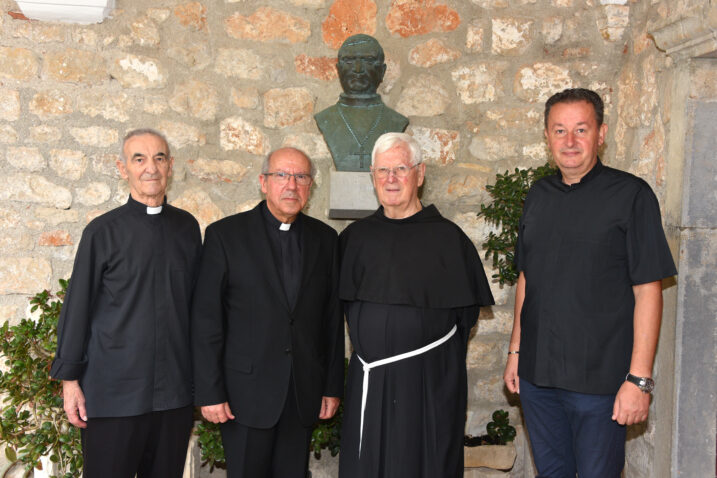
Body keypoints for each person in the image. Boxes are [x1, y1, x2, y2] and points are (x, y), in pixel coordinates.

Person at [503, 88, 677, 478]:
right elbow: (526, 277)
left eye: (581, 129)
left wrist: (639, 380)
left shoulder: (632, 195)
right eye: (559, 130)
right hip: (538, 379)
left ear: (601, 134)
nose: (570, 141)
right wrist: (515, 352)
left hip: (601, 385)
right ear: (547, 137)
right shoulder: (538, 196)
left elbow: (648, 289)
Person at [338, 132, 495, 478]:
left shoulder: (449, 240)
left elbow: (463, 320)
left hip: (427, 383)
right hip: (370, 380)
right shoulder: (354, 238)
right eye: (383, 171)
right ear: (373, 177)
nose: (391, 179)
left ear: (420, 174)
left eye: (400, 169)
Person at [50, 129, 201, 478]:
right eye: (139, 159)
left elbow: (197, 309)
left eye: (159, 158)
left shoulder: (187, 228)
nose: (151, 168)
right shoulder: (102, 232)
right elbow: (78, 308)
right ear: (123, 168)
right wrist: (69, 381)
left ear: (171, 166)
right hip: (113, 395)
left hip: (173, 396)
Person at [191, 147, 344, 478]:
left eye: (301, 177)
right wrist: (209, 392)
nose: (292, 185)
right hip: (243, 396)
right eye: (282, 176)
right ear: (263, 182)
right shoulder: (225, 236)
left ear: (310, 186)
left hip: (302, 392)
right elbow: (207, 320)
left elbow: (331, 320)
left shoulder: (326, 240)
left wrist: (331, 385)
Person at [314, 34, 408, 172]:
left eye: (368, 60)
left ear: (382, 71)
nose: (358, 69)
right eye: (349, 60)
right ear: (339, 69)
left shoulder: (396, 121)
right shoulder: (325, 119)